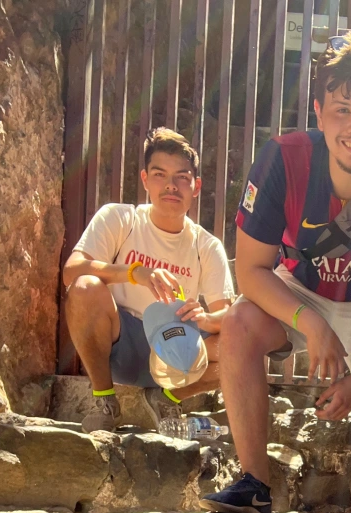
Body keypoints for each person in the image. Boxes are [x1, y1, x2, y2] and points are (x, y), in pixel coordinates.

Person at [199, 30, 351, 513]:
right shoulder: (282, 160)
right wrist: (311, 324)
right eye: (342, 109)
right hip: (303, 286)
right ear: (318, 110)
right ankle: (253, 485)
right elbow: (250, 271)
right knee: (239, 323)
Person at [63, 127, 235, 434]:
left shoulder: (207, 245)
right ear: (145, 180)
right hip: (119, 345)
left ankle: (166, 397)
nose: (171, 186)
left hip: (177, 354)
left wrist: (206, 318)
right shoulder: (119, 218)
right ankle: (103, 401)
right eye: (159, 174)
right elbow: (72, 271)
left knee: (242, 343)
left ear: (196, 186)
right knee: (85, 287)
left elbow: (229, 316)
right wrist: (134, 272)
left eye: (182, 177)